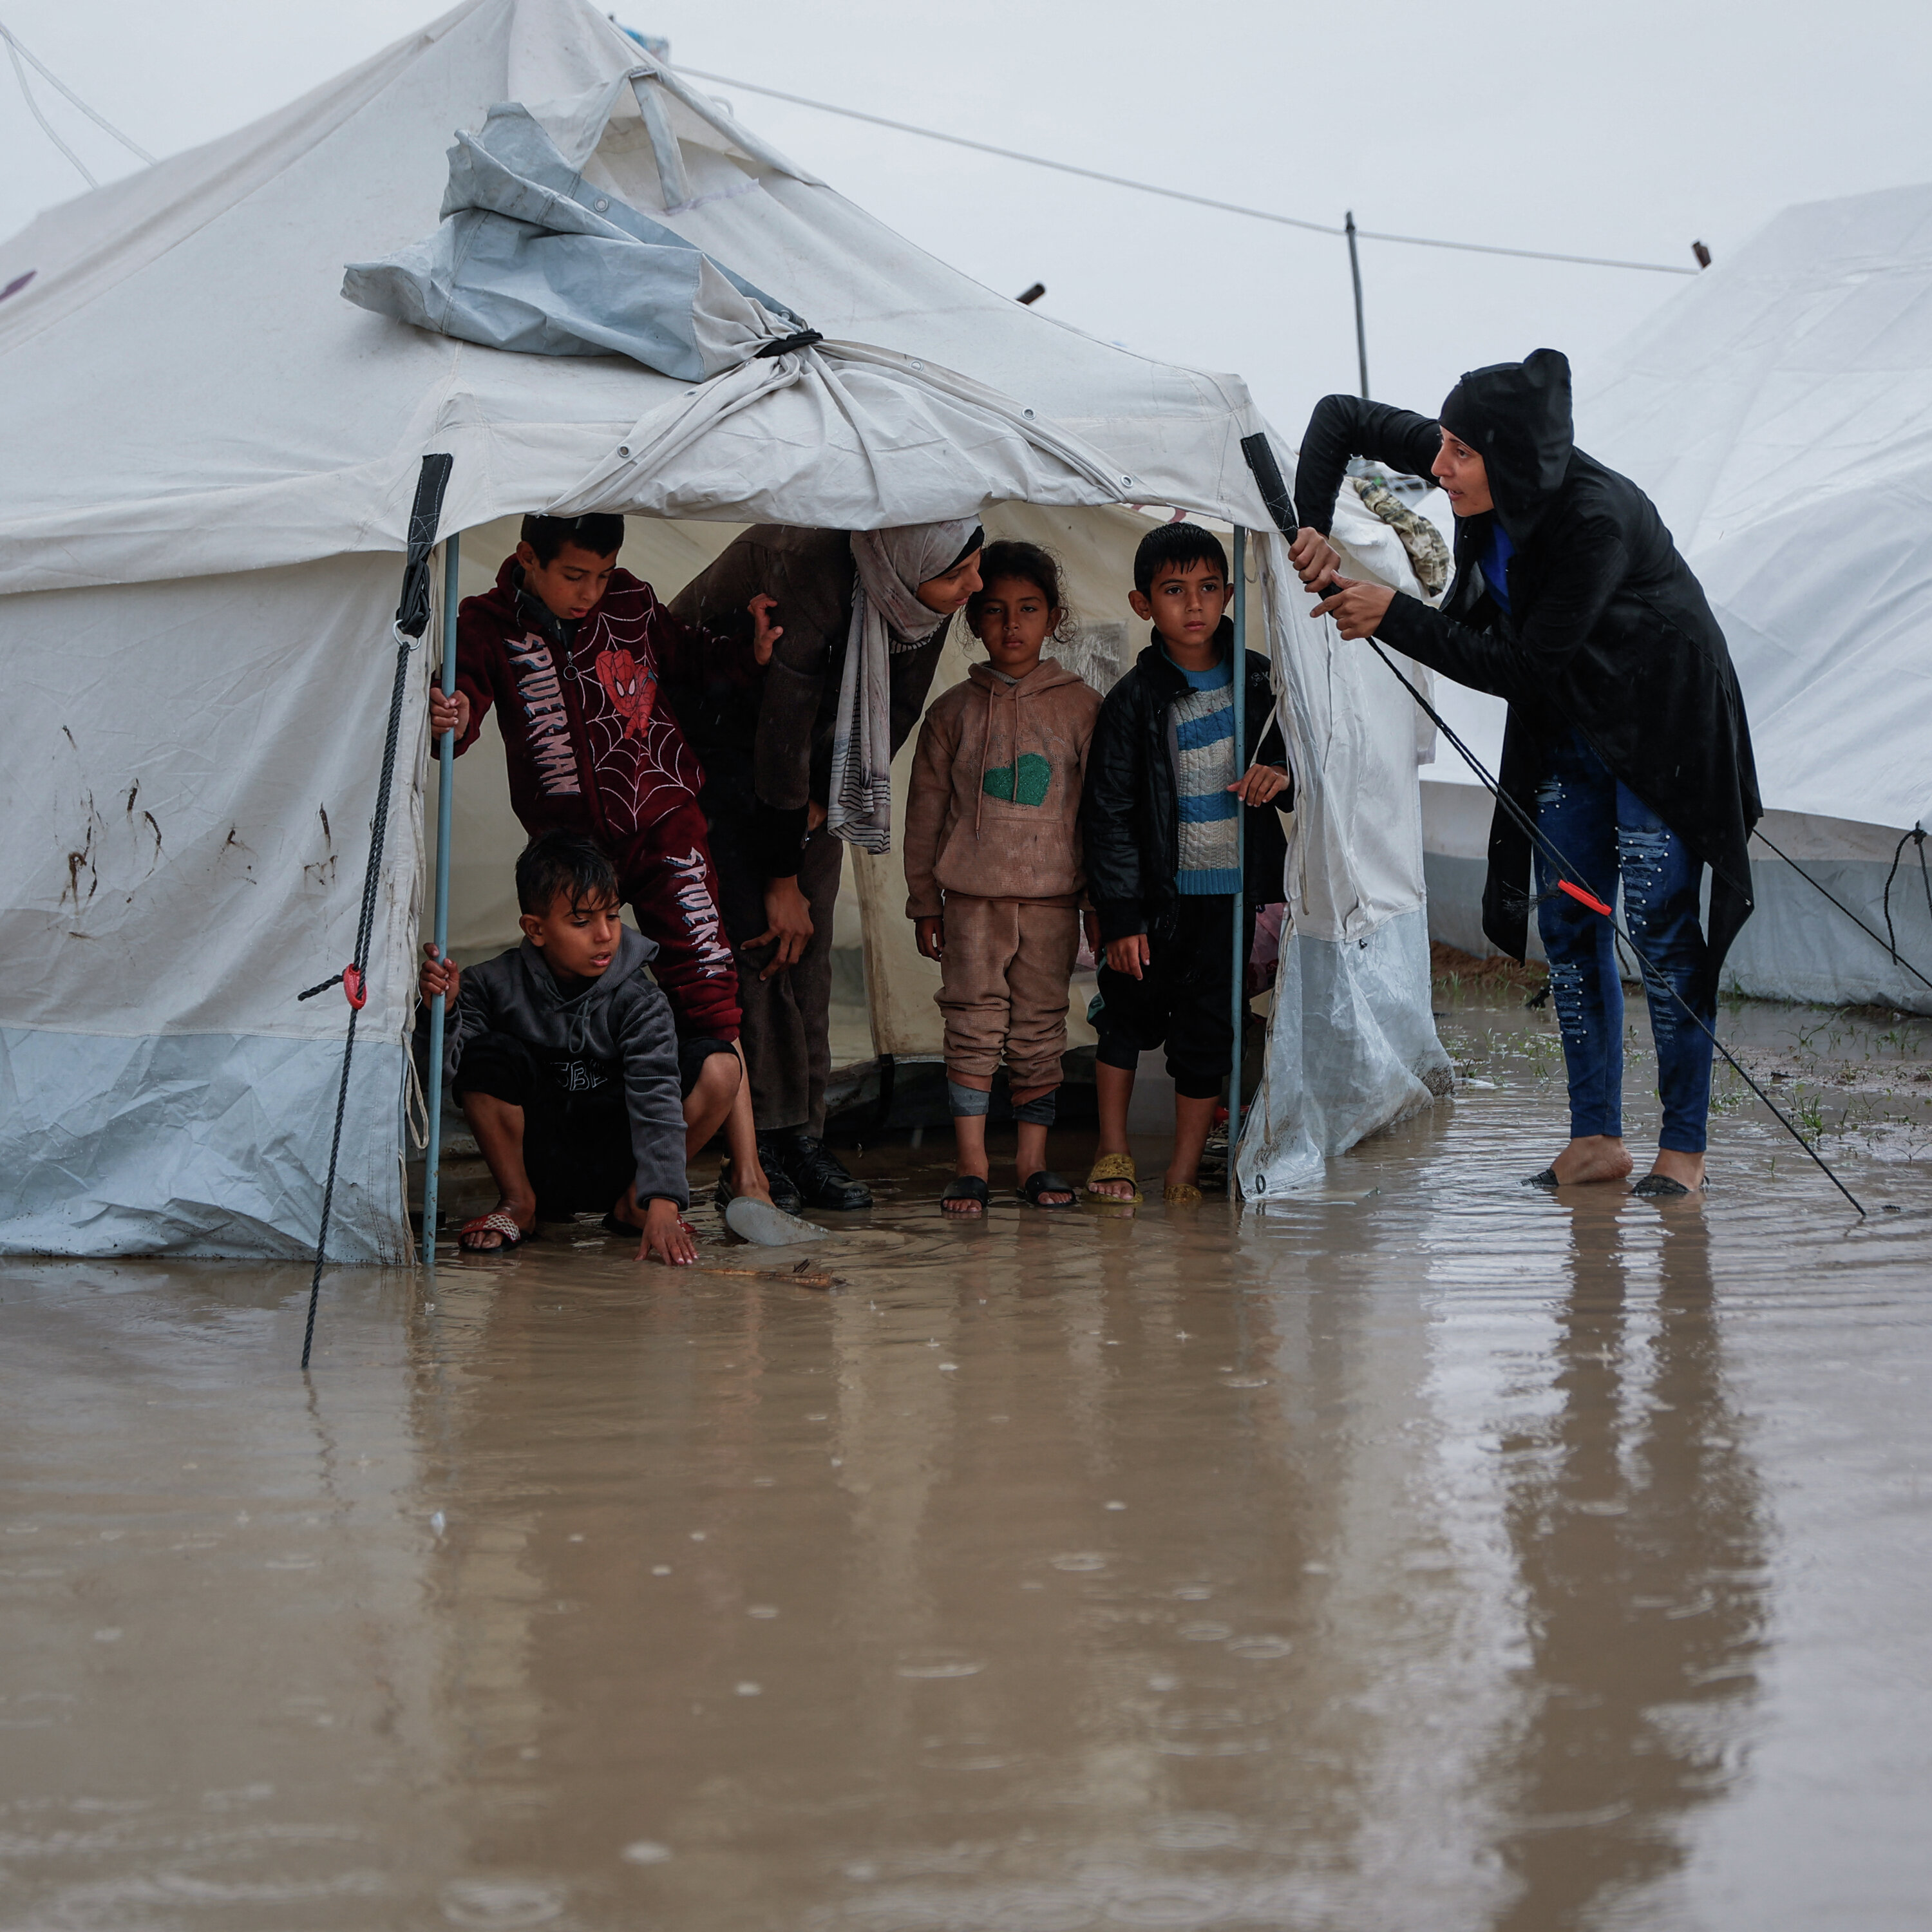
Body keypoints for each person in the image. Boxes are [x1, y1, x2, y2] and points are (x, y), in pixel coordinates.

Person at [1292, 348, 1759, 1197]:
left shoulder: (1594, 522)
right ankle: (1596, 1139)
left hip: (1660, 725)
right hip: (1567, 728)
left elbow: (1520, 667)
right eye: (1443, 445)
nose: (1439, 468)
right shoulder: (1461, 457)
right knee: (1576, 927)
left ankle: (1682, 1152)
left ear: (1511, 460)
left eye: (1460, 456)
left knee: (1657, 929)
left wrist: (1392, 613)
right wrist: (1311, 523)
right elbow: (1338, 416)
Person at [428, 511, 787, 1224]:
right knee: (574, 989)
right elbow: (462, 705)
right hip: (571, 850)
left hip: (662, 818)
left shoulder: (630, 600)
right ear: (527, 557)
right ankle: (556, 1179)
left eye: (601, 574)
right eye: (573, 575)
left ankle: (749, 1178)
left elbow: (691, 658)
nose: (590, 592)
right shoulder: (484, 622)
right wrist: (456, 714)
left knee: (709, 984)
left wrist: (749, 654)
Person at [667, 520, 985, 1211]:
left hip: (805, 767)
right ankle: (753, 1150)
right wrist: (782, 875)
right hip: (711, 755)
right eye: (961, 572)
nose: (975, 586)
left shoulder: (914, 598)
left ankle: (802, 1139)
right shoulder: (804, 573)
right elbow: (781, 725)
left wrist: (822, 804)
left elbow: (893, 709)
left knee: (803, 951)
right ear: (908, 565)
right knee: (757, 944)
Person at [1080, 522, 1291, 1205]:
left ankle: (1180, 1174)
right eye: (1174, 592)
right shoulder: (1131, 702)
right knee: (1124, 1016)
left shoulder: (1264, 683)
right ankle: (1112, 1153)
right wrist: (1119, 915)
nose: (1194, 606)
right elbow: (1107, 814)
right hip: (1152, 901)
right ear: (1144, 605)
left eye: (1207, 589)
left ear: (1230, 593)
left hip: (1232, 902)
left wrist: (1279, 772)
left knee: (1210, 1031)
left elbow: (1311, 759)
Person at [902, 541, 1102, 1215]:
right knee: (972, 1024)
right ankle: (972, 1165)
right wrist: (924, 900)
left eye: (1028, 610)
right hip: (970, 904)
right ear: (973, 621)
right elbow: (925, 813)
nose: (1011, 626)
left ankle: (1034, 1165)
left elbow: (1098, 816)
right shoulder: (953, 712)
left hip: (1053, 902)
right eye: (993, 612)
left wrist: (1097, 901)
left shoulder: (1082, 709)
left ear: (1053, 617)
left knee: (1042, 1027)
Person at [418, 833, 701, 1263]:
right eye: (582, 921)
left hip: (620, 1161)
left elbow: (656, 1095)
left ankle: (638, 1205)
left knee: (717, 1064)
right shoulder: (490, 985)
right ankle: (519, 1206)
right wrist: (443, 1012)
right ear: (535, 929)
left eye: (612, 915)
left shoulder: (640, 1000)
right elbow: (442, 1078)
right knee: (488, 1056)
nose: (605, 935)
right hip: (539, 1162)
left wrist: (664, 1199)